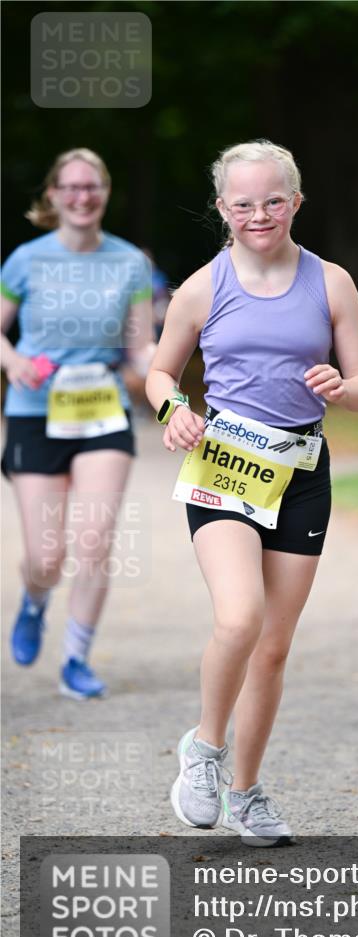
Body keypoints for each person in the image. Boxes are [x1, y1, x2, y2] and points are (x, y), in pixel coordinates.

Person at [146, 140, 358, 845]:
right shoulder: (201, 287)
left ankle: (246, 793)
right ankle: (204, 752)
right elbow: (159, 373)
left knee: (273, 646)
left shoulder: (330, 282)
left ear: (296, 201)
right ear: (222, 208)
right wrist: (172, 411)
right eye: (242, 203)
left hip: (301, 472)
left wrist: (343, 387)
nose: (258, 214)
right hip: (223, 464)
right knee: (240, 617)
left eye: (272, 200)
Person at [1, 148, 154, 698]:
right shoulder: (25, 259)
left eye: (92, 186)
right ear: (53, 195)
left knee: (93, 541)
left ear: (106, 192)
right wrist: (13, 360)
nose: (82, 196)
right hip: (35, 414)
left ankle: (75, 660)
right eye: (71, 187)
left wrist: (157, 376)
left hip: (101, 411)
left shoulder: (130, 263)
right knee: (46, 556)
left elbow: (142, 347)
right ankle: (34, 600)